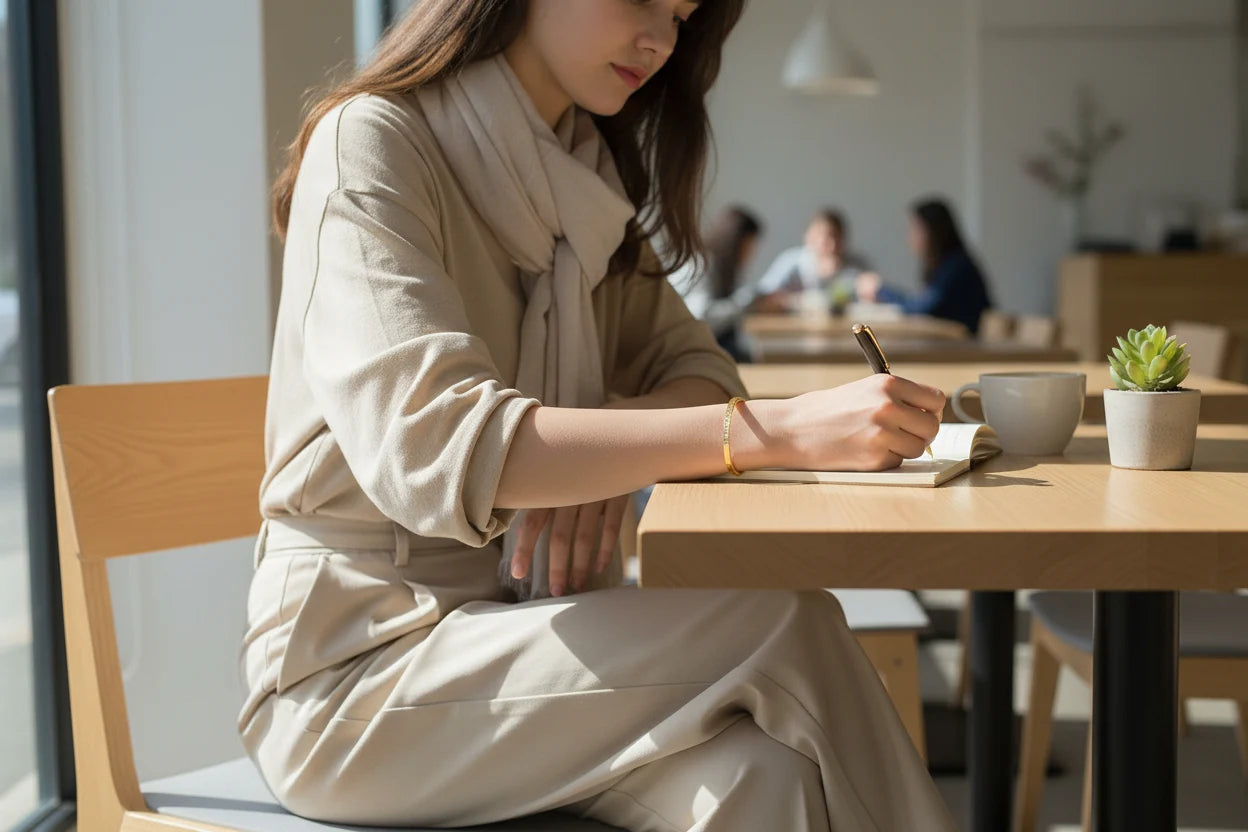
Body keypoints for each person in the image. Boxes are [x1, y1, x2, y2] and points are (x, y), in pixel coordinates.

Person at [239, 1, 955, 830]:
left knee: (768, 778)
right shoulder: (371, 142)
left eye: (682, 15)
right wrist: (776, 431)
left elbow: (699, 371)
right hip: (358, 672)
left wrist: (605, 447)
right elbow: (438, 443)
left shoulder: (584, 183)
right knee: (787, 627)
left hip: (530, 636)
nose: (662, 39)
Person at [857, 198, 993, 335]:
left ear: (935, 231)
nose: (911, 237)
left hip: (966, 344)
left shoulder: (957, 266)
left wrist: (880, 290)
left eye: (917, 229)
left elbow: (923, 309)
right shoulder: (946, 264)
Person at [671, 204, 762, 362]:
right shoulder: (702, 265)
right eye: (749, 246)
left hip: (708, 347)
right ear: (735, 242)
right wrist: (747, 304)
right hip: (685, 352)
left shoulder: (725, 269)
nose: (751, 253)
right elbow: (702, 317)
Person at [752, 207, 869, 314]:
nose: (833, 246)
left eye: (838, 238)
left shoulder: (855, 266)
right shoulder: (791, 263)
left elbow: (870, 298)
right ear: (809, 237)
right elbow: (762, 296)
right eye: (826, 237)